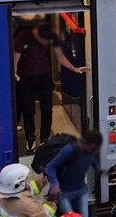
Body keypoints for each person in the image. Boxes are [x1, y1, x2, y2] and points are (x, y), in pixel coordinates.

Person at [13, 22, 90, 152]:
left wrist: (74, 69)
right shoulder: (23, 36)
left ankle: (45, 139)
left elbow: (59, 56)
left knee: (47, 108)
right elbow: (15, 58)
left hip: (44, 75)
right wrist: (14, 73)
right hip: (25, 77)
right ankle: (30, 139)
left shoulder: (50, 36)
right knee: (28, 109)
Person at [44, 130, 102, 217]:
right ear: (87, 143)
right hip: (64, 192)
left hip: (81, 191)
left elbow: (94, 164)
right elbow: (50, 167)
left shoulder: (91, 152)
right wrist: (54, 183)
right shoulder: (70, 149)